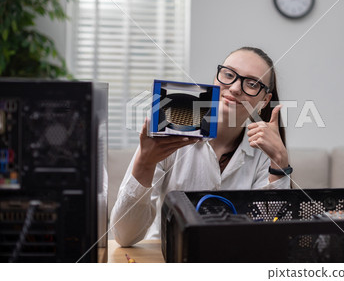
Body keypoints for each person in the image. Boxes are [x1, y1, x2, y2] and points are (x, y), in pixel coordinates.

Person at [111, 46, 292, 246]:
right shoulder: (169, 133)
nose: (234, 88)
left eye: (251, 83)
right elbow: (124, 236)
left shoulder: (263, 151)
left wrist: (279, 163)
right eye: (229, 74)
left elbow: (273, 240)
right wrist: (144, 163)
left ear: (265, 101)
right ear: (216, 79)